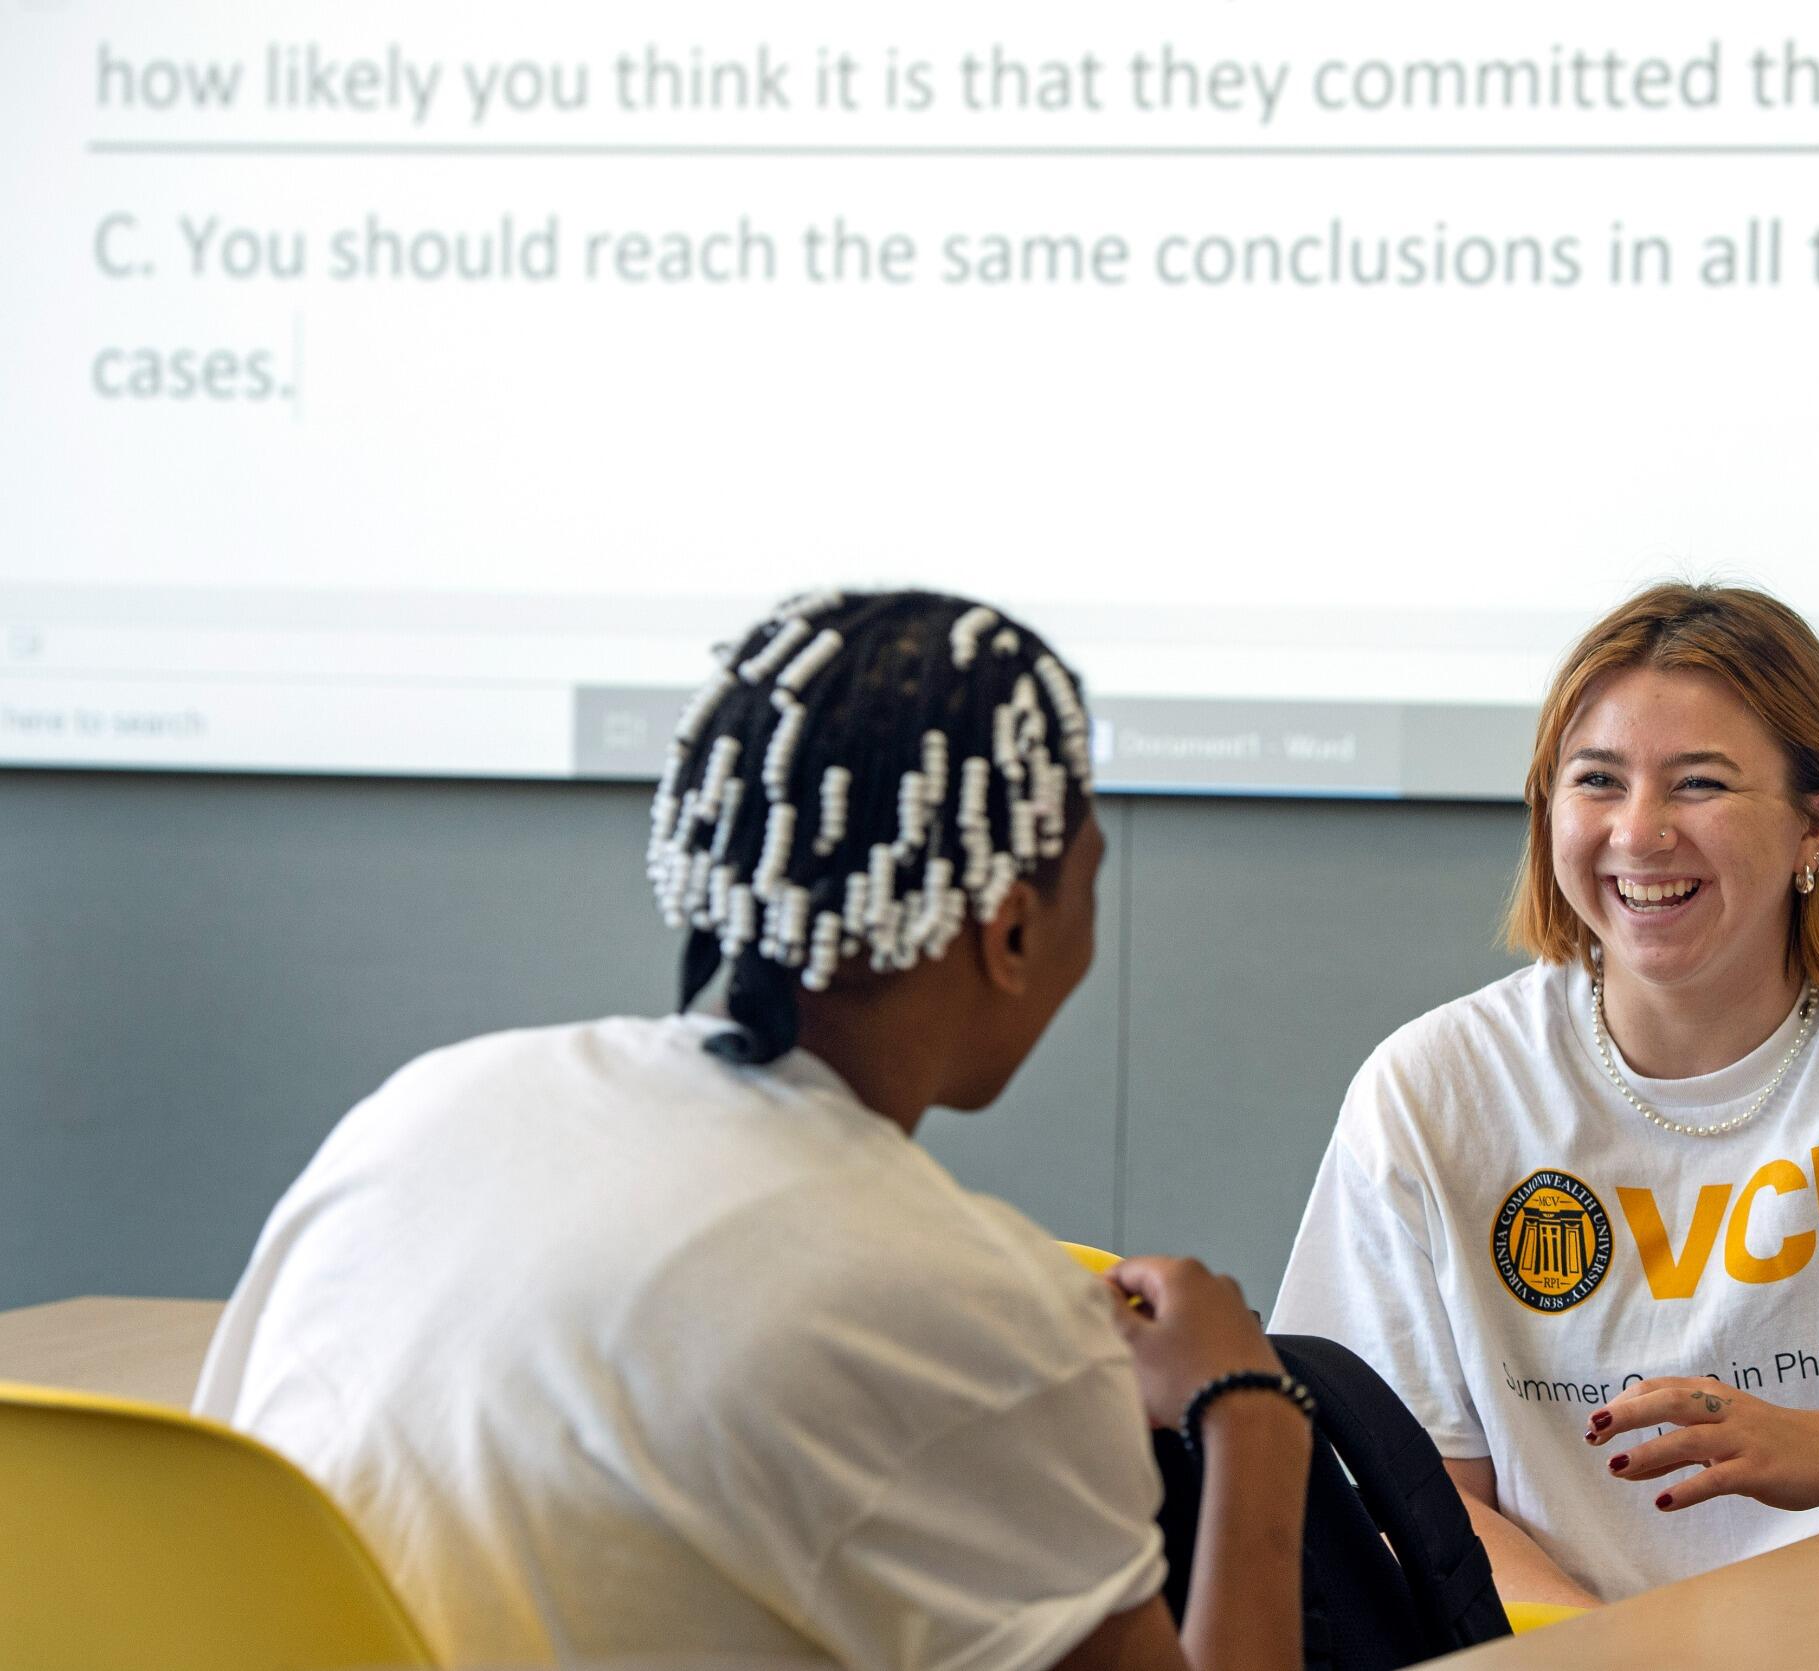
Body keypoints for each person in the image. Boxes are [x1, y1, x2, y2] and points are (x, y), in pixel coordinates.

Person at [195, 590, 1312, 1670]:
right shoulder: (965, 1305)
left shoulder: (426, 1108)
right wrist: (1247, 1409)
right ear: (1012, 929)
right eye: (1090, 881)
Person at [1270, 582, 1819, 1607]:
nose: (1640, 832)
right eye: (1597, 781)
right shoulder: (1432, 1087)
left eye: (1698, 784)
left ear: (1817, 823)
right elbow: (1405, 1492)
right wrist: (1607, 1652)